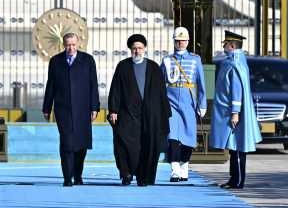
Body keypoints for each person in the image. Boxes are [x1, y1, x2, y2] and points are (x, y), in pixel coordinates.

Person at [108, 34, 171, 186]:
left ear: (144, 49)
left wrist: (164, 113)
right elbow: (115, 89)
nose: (137, 51)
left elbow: (161, 93)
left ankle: (144, 177)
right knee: (124, 143)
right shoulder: (123, 66)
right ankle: (126, 173)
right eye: (134, 48)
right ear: (130, 49)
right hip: (127, 113)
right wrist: (113, 110)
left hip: (149, 115)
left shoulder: (154, 67)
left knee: (148, 146)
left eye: (140, 48)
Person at [43, 32, 100, 187]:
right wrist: (47, 107)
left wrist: (95, 107)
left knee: (81, 144)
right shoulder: (56, 61)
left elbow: (93, 85)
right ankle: (67, 177)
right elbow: (51, 85)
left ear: (78, 44)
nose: (71, 48)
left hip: (83, 109)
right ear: (63, 44)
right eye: (68, 45)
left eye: (73, 44)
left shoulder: (88, 60)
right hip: (63, 109)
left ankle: (78, 175)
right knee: (67, 143)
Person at [210, 30, 261, 189]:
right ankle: (234, 179)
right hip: (231, 111)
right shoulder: (237, 61)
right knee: (234, 147)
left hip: (232, 113)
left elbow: (236, 90)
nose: (223, 46)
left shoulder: (234, 64)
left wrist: (235, 113)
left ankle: (238, 181)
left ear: (231, 45)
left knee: (238, 148)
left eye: (225, 43)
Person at [160, 26, 206, 182]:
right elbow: (160, 83)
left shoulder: (195, 59)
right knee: (172, 137)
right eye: (178, 40)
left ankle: (184, 166)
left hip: (188, 102)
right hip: (171, 102)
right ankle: (174, 169)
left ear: (188, 41)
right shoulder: (167, 60)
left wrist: (202, 104)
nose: (180, 43)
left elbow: (201, 83)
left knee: (188, 137)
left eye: (183, 40)